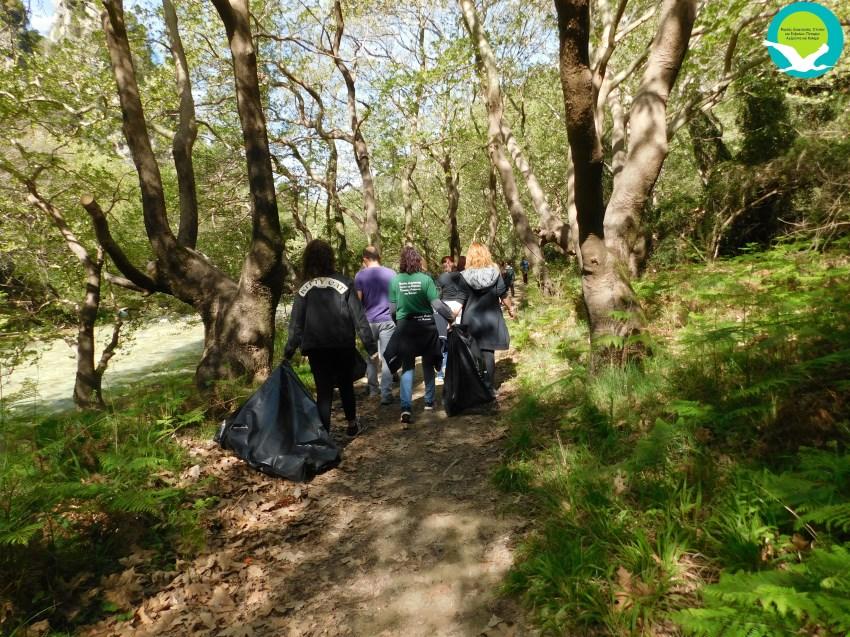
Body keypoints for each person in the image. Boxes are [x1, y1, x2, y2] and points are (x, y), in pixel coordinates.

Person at [284, 239, 377, 437]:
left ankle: (324, 435)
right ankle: (352, 425)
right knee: (345, 385)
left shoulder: (304, 288)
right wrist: (371, 347)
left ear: (308, 260)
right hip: (342, 344)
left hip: (316, 347)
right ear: (330, 258)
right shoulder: (345, 283)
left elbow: (296, 323)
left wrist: (289, 350)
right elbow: (359, 318)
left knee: (323, 391)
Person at [388, 246, 455, 424]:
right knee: (428, 362)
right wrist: (451, 318)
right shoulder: (425, 280)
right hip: (426, 326)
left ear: (402, 261)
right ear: (417, 261)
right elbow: (437, 305)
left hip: (406, 327)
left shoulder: (395, 281)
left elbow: (392, 310)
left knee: (408, 366)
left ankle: (405, 408)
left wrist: (399, 323)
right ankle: (428, 403)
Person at [461, 242, 515, 395]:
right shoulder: (495, 273)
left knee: (474, 353)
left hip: (470, 319)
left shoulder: (463, 276)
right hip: (491, 319)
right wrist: (511, 308)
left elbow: (460, 298)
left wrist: (450, 318)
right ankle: (489, 387)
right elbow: (502, 294)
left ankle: (477, 387)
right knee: (488, 353)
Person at [354, 246, 396, 405]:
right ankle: (386, 394)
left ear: (365, 258)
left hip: (368, 322)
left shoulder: (360, 276)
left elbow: (358, 301)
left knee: (371, 357)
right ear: (379, 256)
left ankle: (373, 390)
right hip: (388, 320)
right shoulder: (391, 273)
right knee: (387, 357)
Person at [435, 255, 466, 384]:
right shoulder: (460, 276)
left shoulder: (443, 277)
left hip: (447, 309)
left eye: (447, 262)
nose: (446, 265)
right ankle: (450, 371)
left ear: (453, 263)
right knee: (452, 340)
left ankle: (444, 373)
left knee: (446, 341)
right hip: (458, 308)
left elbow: (437, 295)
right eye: (444, 263)